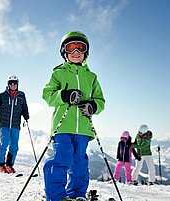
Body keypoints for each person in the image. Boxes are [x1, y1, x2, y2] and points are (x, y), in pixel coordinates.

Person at [42, 31, 105, 201]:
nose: (76, 52)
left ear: (86, 53)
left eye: (80, 47)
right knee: (62, 158)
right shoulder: (58, 73)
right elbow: (47, 95)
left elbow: (100, 101)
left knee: (79, 163)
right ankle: (56, 197)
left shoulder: (91, 77)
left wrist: (93, 106)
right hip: (62, 126)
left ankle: (77, 195)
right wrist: (63, 95)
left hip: (83, 128)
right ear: (64, 52)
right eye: (71, 48)